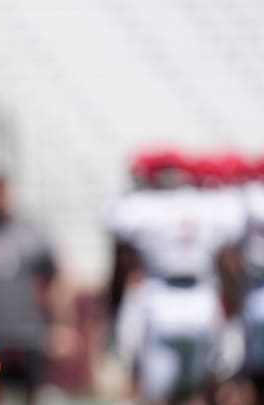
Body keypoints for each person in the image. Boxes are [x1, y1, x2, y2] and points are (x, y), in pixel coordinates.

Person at [104, 147, 248, 404]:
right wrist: (232, 310)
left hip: (159, 297)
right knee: (199, 389)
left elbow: (122, 262)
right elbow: (227, 262)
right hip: (202, 298)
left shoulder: (140, 206)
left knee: (156, 391)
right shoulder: (211, 204)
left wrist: (113, 308)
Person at [0, 174, 71, 404]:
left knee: (33, 393)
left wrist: (59, 324)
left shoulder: (32, 236)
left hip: (29, 332)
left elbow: (55, 280)